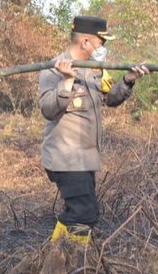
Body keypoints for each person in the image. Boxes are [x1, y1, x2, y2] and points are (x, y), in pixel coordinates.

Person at [39, 15, 149, 245]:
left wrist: (128, 80)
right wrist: (67, 81)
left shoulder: (96, 70)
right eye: (101, 42)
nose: (103, 48)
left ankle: (54, 252)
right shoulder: (54, 69)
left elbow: (110, 99)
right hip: (66, 158)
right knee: (84, 214)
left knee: (77, 212)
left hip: (86, 158)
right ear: (85, 42)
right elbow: (48, 110)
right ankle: (74, 265)